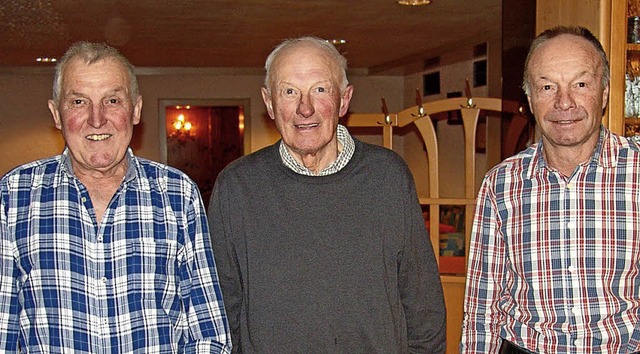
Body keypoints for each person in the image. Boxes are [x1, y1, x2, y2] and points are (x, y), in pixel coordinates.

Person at [207, 36, 446, 353]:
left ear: (344, 100)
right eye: (289, 91)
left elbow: (423, 307)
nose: (304, 108)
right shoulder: (236, 187)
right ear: (269, 103)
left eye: (320, 89)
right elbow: (221, 316)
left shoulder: (389, 177)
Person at [0, 42, 231, 353]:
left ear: (135, 110)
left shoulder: (178, 195)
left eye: (112, 100)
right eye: (79, 101)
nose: (97, 119)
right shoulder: (13, 195)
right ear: (57, 114)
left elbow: (209, 335)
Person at [461, 25, 640, 353]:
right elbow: (482, 310)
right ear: (530, 98)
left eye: (580, 84)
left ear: (604, 92)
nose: (564, 102)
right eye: (547, 87)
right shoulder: (501, 185)